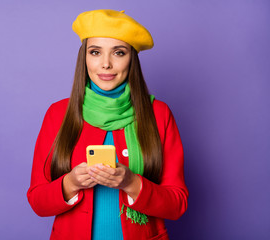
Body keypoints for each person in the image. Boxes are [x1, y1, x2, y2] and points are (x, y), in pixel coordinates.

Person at [27, 9, 188, 240]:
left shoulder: (159, 114)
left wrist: (132, 182)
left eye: (118, 53)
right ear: (84, 58)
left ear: (131, 58)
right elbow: (37, 201)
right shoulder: (57, 114)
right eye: (95, 52)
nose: (106, 64)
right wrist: (70, 183)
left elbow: (177, 204)